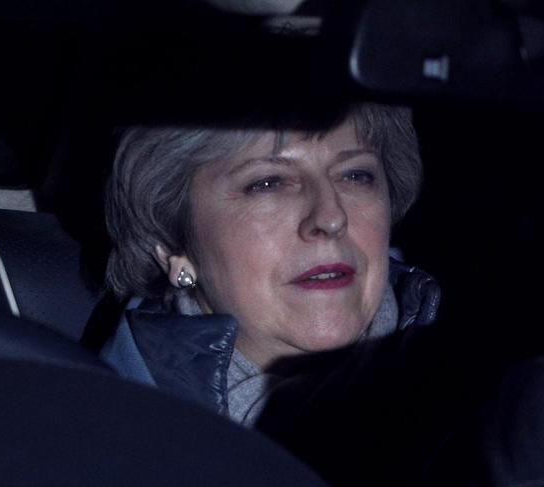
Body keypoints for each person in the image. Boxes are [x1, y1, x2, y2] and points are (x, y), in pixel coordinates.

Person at [95, 102, 441, 426]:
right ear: (171, 242)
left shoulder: (480, 381)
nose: (331, 217)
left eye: (354, 175)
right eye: (267, 183)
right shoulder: (111, 438)